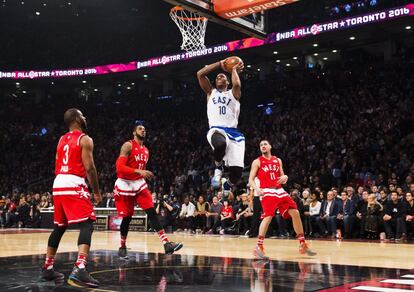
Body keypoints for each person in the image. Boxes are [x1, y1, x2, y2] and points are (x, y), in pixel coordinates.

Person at [41, 108, 102, 288]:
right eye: (82, 114)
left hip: (58, 182)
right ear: (76, 118)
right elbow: (90, 168)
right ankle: (80, 268)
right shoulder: (85, 139)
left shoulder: (61, 139)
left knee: (59, 226)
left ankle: (47, 266)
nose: (85, 117)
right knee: (87, 223)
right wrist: (96, 191)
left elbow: (57, 161)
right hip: (73, 181)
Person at [113, 120, 183, 258]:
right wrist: (140, 171)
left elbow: (140, 171)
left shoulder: (146, 150)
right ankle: (122, 246)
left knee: (151, 212)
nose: (143, 130)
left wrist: (143, 174)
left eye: (144, 129)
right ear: (134, 132)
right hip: (124, 184)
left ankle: (166, 244)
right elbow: (119, 168)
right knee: (127, 218)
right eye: (140, 129)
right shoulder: (127, 146)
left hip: (138, 183)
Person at [248, 140, 316, 259]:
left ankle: (302, 244)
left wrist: (286, 177)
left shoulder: (277, 160)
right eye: (261, 145)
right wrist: (256, 189)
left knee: (295, 212)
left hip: (280, 190)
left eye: (265, 144)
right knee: (268, 216)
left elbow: (282, 176)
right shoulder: (257, 161)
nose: (263, 146)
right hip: (267, 191)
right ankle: (258, 247)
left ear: (270, 146)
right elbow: (250, 180)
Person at [196, 58, 245, 194]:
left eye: (223, 76)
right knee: (220, 144)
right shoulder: (211, 92)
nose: (219, 77)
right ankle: (218, 167)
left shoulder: (233, 93)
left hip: (234, 133)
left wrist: (233, 69)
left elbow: (236, 85)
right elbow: (200, 74)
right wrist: (219, 64)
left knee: (237, 173)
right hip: (217, 129)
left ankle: (228, 185)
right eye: (217, 76)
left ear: (228, 81)